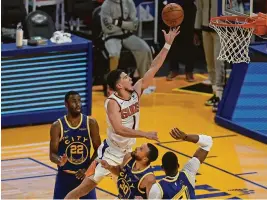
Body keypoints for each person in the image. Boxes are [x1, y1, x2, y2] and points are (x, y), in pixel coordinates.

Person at [64, 27, 180, 199]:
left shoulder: (136, 92)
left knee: (138, 191)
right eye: (126, 77)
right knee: (82, 190)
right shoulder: (112, 103)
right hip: (111, 153)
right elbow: (119, 129)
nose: (130, 78)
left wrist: (168, 44)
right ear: (119, 85)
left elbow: (154, 67)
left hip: (129, 152)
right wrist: (144, 134)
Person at [50, 91, 101, 199]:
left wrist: (88, 169)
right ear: (66, 104)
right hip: (65, 175)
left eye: (79, 101)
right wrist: (59, 160)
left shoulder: (91, 123)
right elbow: (52, 154)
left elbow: (99, 150)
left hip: (85, 175)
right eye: (74, 101)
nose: (78, 104)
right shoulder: (57, 126)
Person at [100, 0, 155, 94]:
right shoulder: (106, 5)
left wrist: (117, 22)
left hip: (127, 35)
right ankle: (112, 86)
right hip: (111, 36)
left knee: (145, 49)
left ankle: (143, 84)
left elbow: (134, 25)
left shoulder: (129, 2)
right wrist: (126, 25)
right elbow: (107, 28)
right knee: (114, 54)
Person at [149, 128, 213, 199]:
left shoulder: (158, 188)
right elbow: (208, 142)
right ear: (178, 165)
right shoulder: (188, 173)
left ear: (163, 168)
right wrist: (185, 137)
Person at [194, 0, 225, 112]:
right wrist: (197, 29)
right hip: (205, 28)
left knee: (218, 62)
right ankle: (214, 93)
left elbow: (232, 7)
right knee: (209, 62)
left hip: (221, 28)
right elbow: (199, 8)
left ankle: (220, 95)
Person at [158, 0, 197, 82]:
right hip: (172, 6)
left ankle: (189, 71)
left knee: (189, 41)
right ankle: (173, 69)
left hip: (188, 7)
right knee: (172, 40)